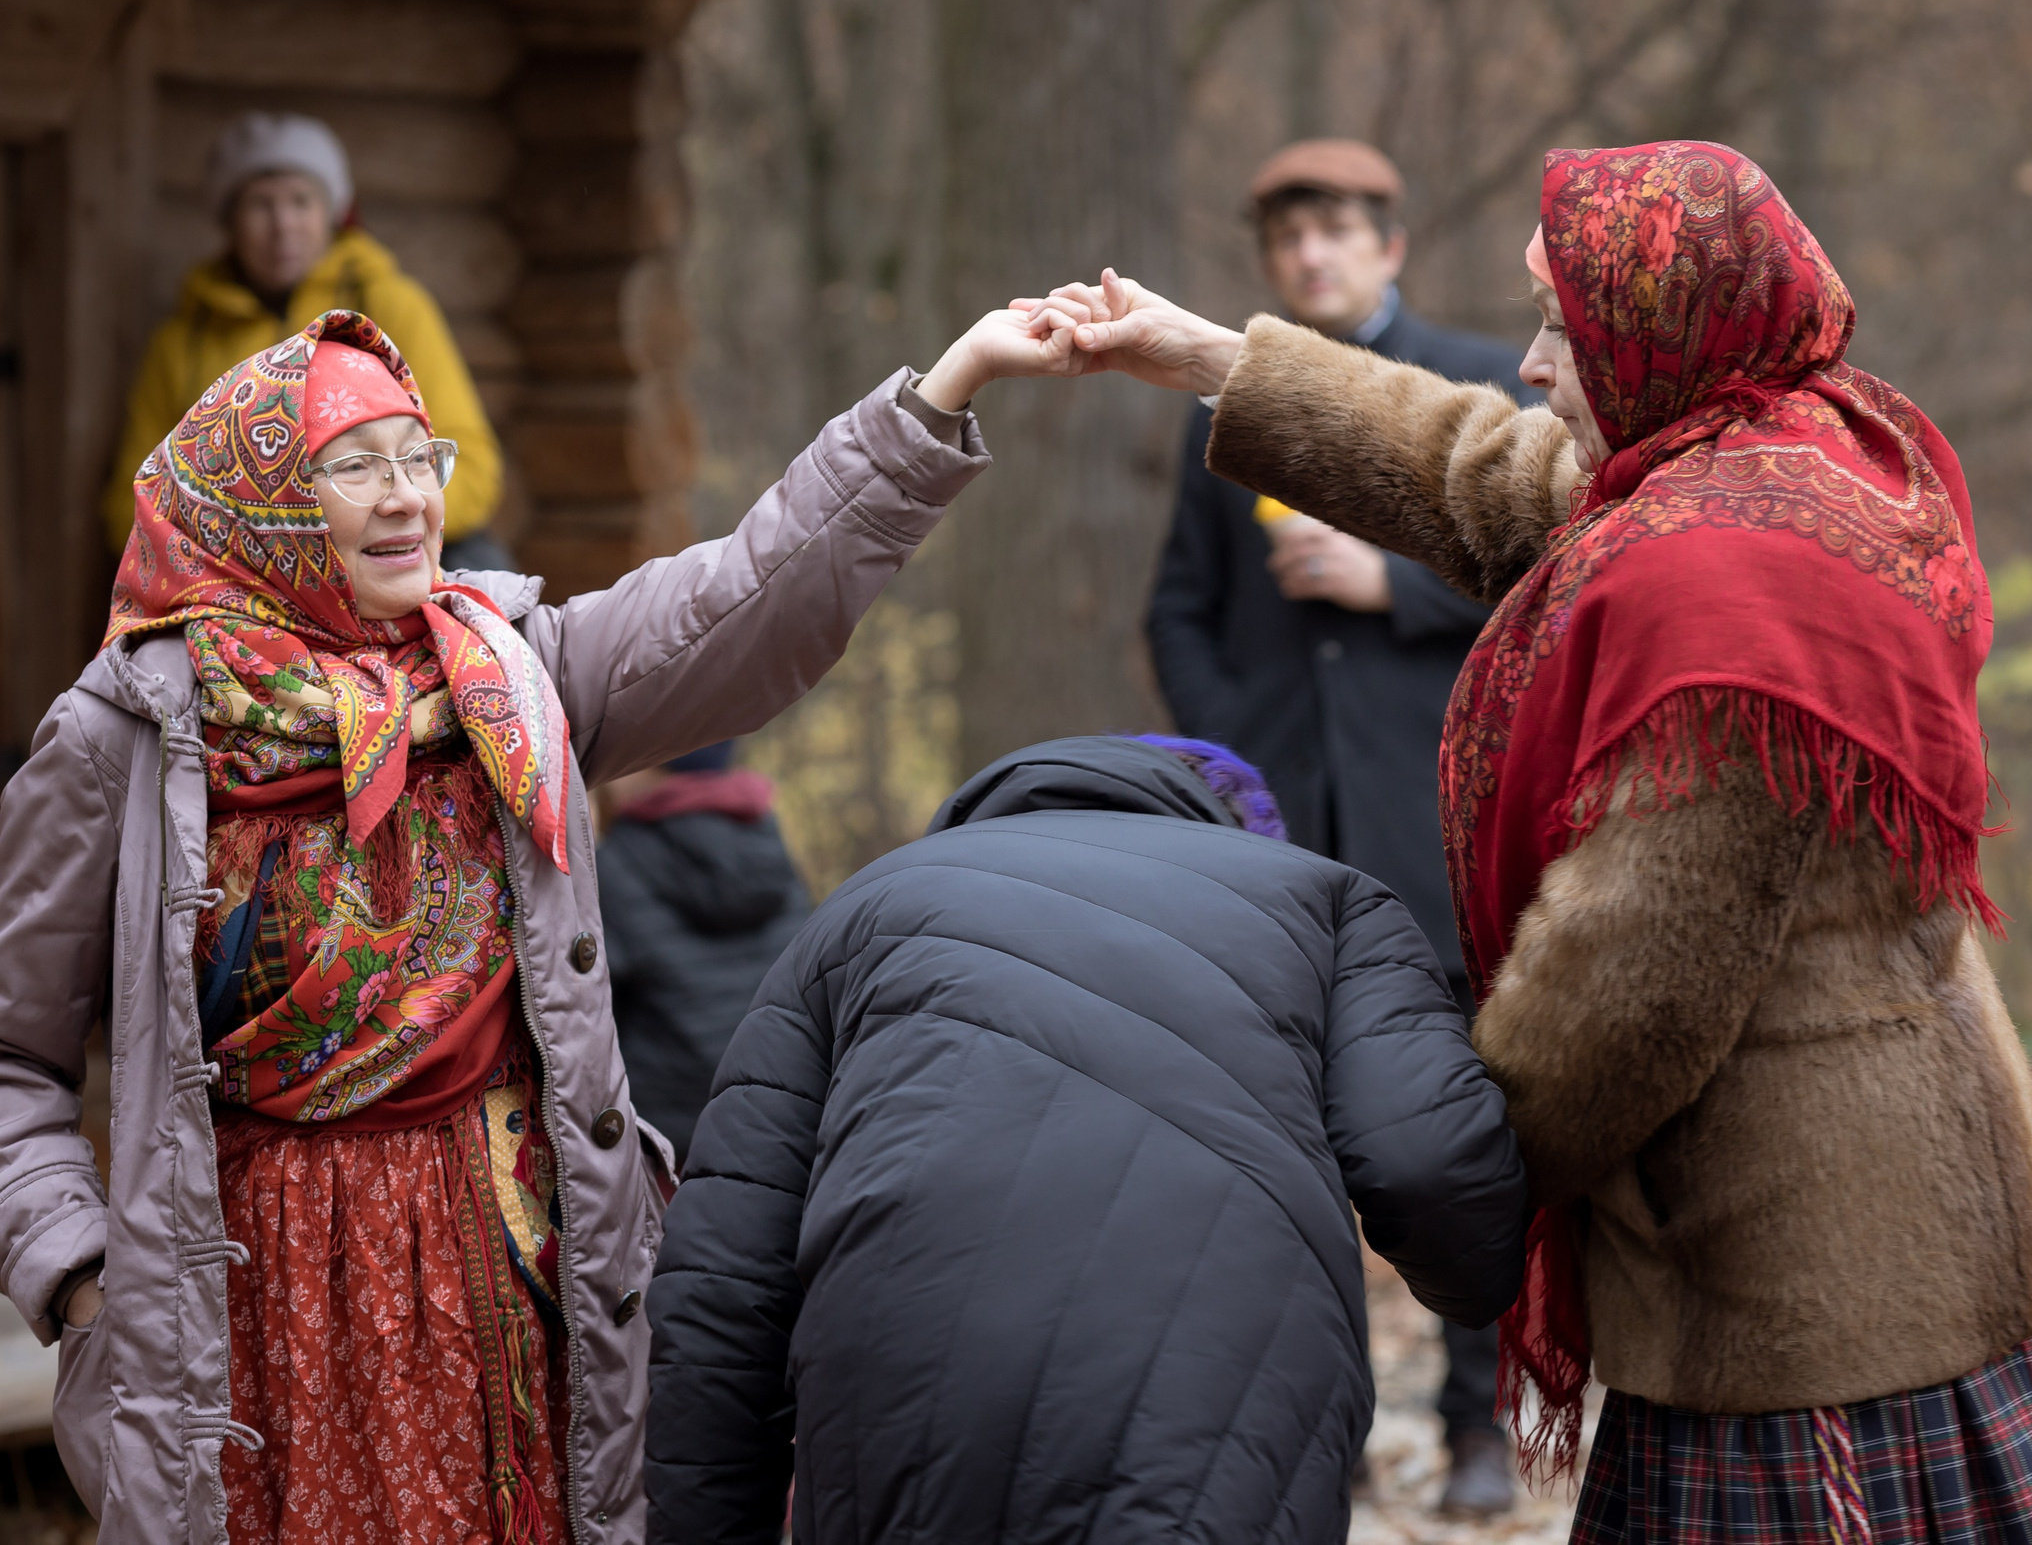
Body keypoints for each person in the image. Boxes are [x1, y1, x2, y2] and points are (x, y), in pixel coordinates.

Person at [1030, 138, 2032, 1543]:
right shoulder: (1792, 456)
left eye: (1562, 328)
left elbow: (1620, 997)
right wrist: (1212, 360)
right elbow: (1488, 469)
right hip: (1894, 1240)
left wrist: (1425, 1177)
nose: (1533, 364)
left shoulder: (1724, 605)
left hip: (1810, 1300)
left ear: (1668, 332)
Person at [0, 293, 1094, 1543]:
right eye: (356, 468)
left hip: (512, 1275)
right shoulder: (123, 741)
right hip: (253, 1312)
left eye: (423, 458)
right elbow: (11, 1053)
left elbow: (749, 595)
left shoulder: (512, 676)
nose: (410, 496)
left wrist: (937, 396)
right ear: (258, 509)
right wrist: (80, 1278)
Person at [644, 733, 1527, 1545]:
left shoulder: (867, 906)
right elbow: (1429, 1160)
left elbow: (725, 1281)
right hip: (1226, 1391)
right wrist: (1477, 1282)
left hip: (904, 1391)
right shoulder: (1324, 897)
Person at [1145, 136, 1535, 1514]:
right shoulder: (1223, 408)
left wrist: (1397, 586)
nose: (1310, 256)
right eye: (1288, 238)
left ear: (1391, 245)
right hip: (1273, 841)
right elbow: (1176, 611)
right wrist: (1224, 753)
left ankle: (1482, 1423)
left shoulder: (1477, 382)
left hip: (1434, 826)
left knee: (1466, 1133)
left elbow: (1550, 582)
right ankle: (1322, 1423)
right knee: (1278, 1146)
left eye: (1336, 232)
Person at [107, 111, 512, 568]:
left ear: (332, 214)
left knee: (481, 569)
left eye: (302, 201)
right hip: (248, 566)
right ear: (230, 222)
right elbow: (137, 497)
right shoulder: (181, 344)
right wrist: (248, 550)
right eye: (260, 205)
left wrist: (378, 523)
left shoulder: (392, 305)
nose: (283, 225)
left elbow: (470, 464)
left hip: (386, 543)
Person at [595, 740, 810, 1165]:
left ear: (643, 765)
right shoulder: (769, 846)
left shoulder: (616, 862)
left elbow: (590, 1024)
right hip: (775, 1130)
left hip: (663, 1149)